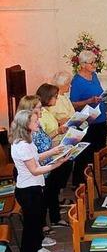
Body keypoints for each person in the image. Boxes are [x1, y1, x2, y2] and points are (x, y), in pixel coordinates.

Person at [10, 110, 69, 252]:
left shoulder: (27, 141)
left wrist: (54, 151)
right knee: (31, 231)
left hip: (34, 188)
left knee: (36, 229)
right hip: (28, 191)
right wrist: (56, 165)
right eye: (35, 121)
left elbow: (36, 158)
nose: (38, 123)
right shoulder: (22, 145)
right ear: (26, 125)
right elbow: (35, 169)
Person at [18, 96, 68, 236]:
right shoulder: (25, 135)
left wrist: (55, 150)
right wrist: (54, 159)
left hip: (47, 164)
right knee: (39, 206)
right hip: (38, 173)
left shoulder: (35, 125)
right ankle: (42, 229)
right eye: (39, 108)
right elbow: (34, 164)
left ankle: (54, 219)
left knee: (51, 194)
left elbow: (42, 146)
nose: (41, 111)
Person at [35, 86, 74, 227]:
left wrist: (59, 129)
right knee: (49, 190)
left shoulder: (46, 111)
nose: (57, 99)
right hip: (48, 156)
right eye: (55, 96)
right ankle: (46, 222)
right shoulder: (39, 116)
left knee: (54, 188)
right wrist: (58, 132)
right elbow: (43, 139)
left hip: (55, 151)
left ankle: (55, 217)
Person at [69, 50, 107, 187]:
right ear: (83, 64)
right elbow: (73, 104)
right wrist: (89, 100)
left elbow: (99, 92)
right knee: (85, 154)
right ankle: (80, 182)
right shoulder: (77, 81)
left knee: (98, 151)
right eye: (92, 63)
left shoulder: (94, 76)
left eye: (94, 62)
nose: (94, 65)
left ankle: (95, 178)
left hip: (100, 117)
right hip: (88, 121)